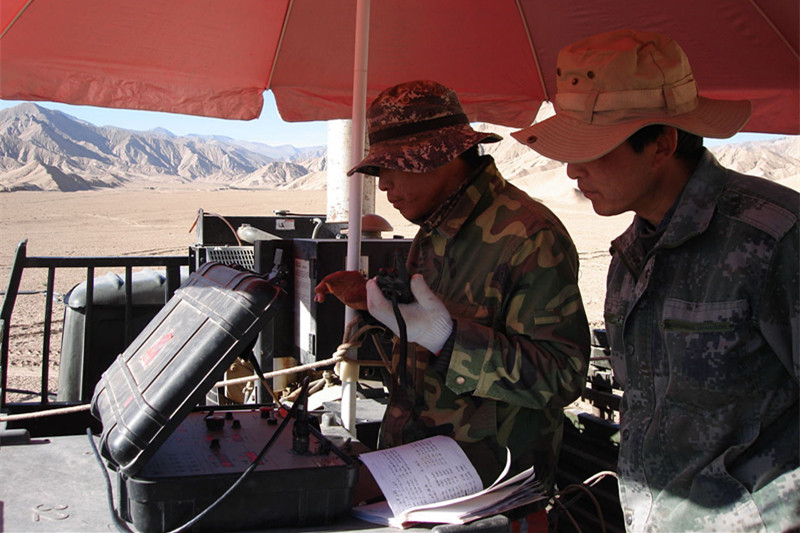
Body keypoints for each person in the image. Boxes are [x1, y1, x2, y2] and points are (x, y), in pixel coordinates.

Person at [512, 29, 799, 532]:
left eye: (593, 148)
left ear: (662, 143)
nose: (573, 170)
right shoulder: (630, 256)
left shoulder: (772, 240)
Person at [347, 80, 591, 503]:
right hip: (415, 472)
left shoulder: (529, 236)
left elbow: (562, 375)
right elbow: (426, 336)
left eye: (393, 166)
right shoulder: (435, 230)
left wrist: (450, 341)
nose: (383, 184)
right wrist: (376, 308)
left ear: (441, 155)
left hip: (490, 488)